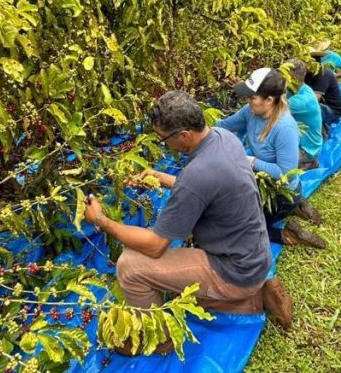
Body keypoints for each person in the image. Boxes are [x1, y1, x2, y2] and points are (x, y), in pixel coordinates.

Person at [84, 91, 294, 347]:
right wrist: (162, 178)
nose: (164, 144)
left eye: (163, 140)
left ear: (184, 135)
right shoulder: (223, 137)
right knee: (172, 280)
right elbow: (207, 188)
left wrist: (102, 221)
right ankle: (253, 296)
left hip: (234, 270)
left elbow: (155, 245)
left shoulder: (197, 175)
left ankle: (157, 338)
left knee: (130, 265)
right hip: (253, 257)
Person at [217, 68, 327, 244]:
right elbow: (224, 125)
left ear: (269, 100)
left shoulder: (284, 128)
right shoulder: (250, 111)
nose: (248, 100)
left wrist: (250, 161)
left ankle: (288, 235)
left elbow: (285, 172)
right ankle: (297, 207)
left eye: (252, 97)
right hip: (262, 182)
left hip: (279, 193)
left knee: (236, 227)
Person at [284, 59, 323, 170]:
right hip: (300, 141)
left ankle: (308, 163)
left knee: (268, 157)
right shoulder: (297, 89)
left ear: (292, 78)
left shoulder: (302, 100)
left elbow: (269, 106)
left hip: (305, 150)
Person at [305, 57, 341, 127]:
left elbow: (313, 101)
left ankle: (322, 130)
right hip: (322, 105)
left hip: (332, 112)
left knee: (306, 110)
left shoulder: (323, 74)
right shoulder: (309, 74)